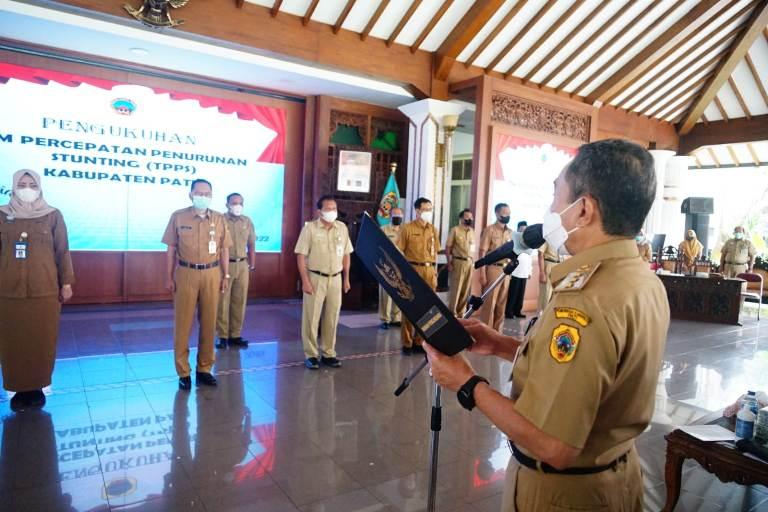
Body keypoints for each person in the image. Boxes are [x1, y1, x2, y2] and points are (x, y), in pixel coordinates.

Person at [423, 139, 669, 511]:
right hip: (615, 477)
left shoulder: (584, 301)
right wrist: (503, 345)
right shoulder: (640, 279)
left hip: (564, 495)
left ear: (583, 208)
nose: (553, 210)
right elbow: (592, 376)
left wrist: (466, 383)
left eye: (557, 195)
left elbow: (554, 446)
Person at [0, 169, 74, 412]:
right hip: (8, 291)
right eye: (22, 183)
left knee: (42, 339)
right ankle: (18, 389)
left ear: (40, 187)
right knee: (13, 340)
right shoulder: (2, 214)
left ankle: (37, 387)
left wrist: (66, 283)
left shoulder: (53, 215)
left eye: (32, 184)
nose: (27, 188)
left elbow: (62, 251)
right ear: (13, 186)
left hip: (45, 290)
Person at [162, 179, 232, 390]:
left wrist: (225, 275)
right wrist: (168, 276)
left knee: (210, 323)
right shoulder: (178, 216)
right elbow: (171, 250)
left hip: (212, 273)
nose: (203, 196)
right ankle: (183, 372)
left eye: (207, 193)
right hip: (186, 273)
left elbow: (225, 249)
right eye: (199, 192)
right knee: (183, 324)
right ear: (191, 194)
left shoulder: (219, 219)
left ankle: (204, 369)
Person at [295, 195, 352, 369]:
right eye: (328, 208)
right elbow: (301, 256)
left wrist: (346, 278)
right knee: (311, 318)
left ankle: (329, 353)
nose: (332, 211)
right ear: (319, 211)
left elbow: (346, 254)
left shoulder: (341, 228)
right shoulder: (310, 229)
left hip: (335, 278)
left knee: (332, 317)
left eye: (334, 208)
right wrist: (305, 280)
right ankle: (311, 354)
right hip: (315, 277)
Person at [398, 197, 440, 355]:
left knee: (428, 308)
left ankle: (420, 340)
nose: (428, 212)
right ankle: (407, 342)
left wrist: (434, 272)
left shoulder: (433, 229)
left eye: (430, 209)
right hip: (413, 269)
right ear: (417, 211)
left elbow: (435, 252)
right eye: (426, 209)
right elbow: (399, 251)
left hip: (429, 270)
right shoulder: (407, 228)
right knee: (410, 306)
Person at [216, 193, 256, 349]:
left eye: (240, 203)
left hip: (242, 265)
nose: (237, 206)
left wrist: (252, 264)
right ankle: (222, 336)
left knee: (239, 301)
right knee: (222, 301)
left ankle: (235, 335)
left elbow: (251, 244)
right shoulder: (220, 220)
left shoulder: (247, 221)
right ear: (227, 204)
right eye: (234, 203)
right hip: (224, 265)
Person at [479, 203, 513, 331]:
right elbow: (482, 252)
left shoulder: (510, 232)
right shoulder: (490, 230)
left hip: (506, 270)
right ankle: (485, 333)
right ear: (497, 214)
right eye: (505, 213)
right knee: (490, 303)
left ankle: (497, 334)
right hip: (493, 269)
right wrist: (482, 274)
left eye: (509, 213)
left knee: (501, 304)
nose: (507, 216)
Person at [446, 209, 475, 317]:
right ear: (461, 218)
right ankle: (452, 313)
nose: (470, 219)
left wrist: (472, 262)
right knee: (456, 289)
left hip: (469, 263)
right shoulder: (455, 230)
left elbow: (473, 248)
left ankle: (461, 313)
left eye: (471, 217)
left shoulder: (472, 231)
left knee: (465, 289)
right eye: (467, 217)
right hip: (458, 262)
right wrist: (449, 263)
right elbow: (448, 247)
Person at [379, 207, 403, 330]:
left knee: (399, 292)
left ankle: (396, 318)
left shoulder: (405, 231)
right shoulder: (384, 230)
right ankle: (385, 319)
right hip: (387, 266)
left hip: (401, 266)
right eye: (395, 215)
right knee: (386, 293)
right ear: (390, 216)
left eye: (400, 215)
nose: (397, 218)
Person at [506, 221, 533, 319]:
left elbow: (529, 259)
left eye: (525, 230)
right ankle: (509, 312)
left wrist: (530, 272)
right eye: (521, 230)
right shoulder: (513, 242)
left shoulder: (529, 243)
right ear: (517, 230)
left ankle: (518, 311)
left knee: (520, 294)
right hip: (515, 272)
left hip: (524, 273)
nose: (523, 232)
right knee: (512, 294)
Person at [536, 241, 560, 315]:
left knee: (556, 293)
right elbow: (540, 254)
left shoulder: (561, 240)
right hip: (549, 264)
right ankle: (542, 316)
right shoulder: (547, 239)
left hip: (559, 265)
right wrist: (542, 272)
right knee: (546, 293)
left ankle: (550, 316)